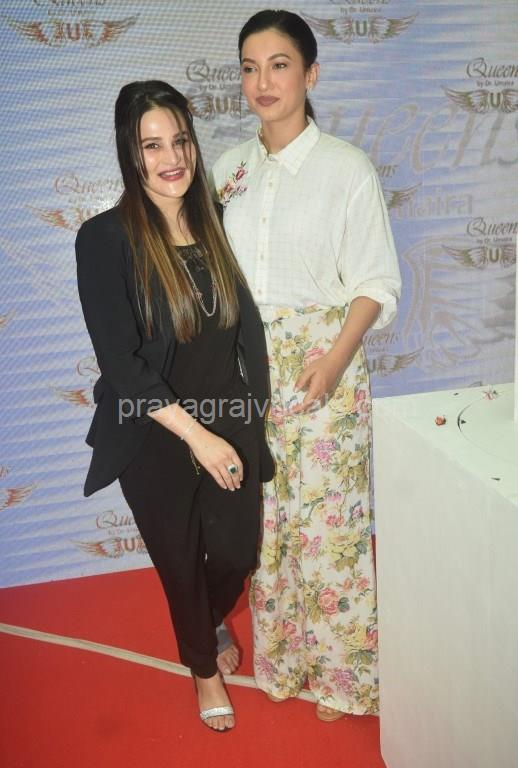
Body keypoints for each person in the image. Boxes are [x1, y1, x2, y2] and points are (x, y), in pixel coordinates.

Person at [210, 10, 401, 722]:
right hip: (246, 366)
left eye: (280, 65)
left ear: (311, 74)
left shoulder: (347, 168)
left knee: (329, 527)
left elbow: (376, 282)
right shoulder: (228, 169)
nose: (263, 82)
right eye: (250, 67)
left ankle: (342, 677)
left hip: (324, 361)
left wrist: (337, 360)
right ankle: (286, 664)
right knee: (268, 523)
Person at [75, 80, 274, 732]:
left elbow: (244, 326)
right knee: (181, 560)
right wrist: (198, 437)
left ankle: (206, 619)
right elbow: (121, 362)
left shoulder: (215, 218)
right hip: (151, 430)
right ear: (129, 154)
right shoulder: (105, 238)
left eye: (180, 140)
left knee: (238, 552)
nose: (172, 158)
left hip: (227, 417)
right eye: (152, 145)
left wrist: (252, 412)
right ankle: (203, 668)